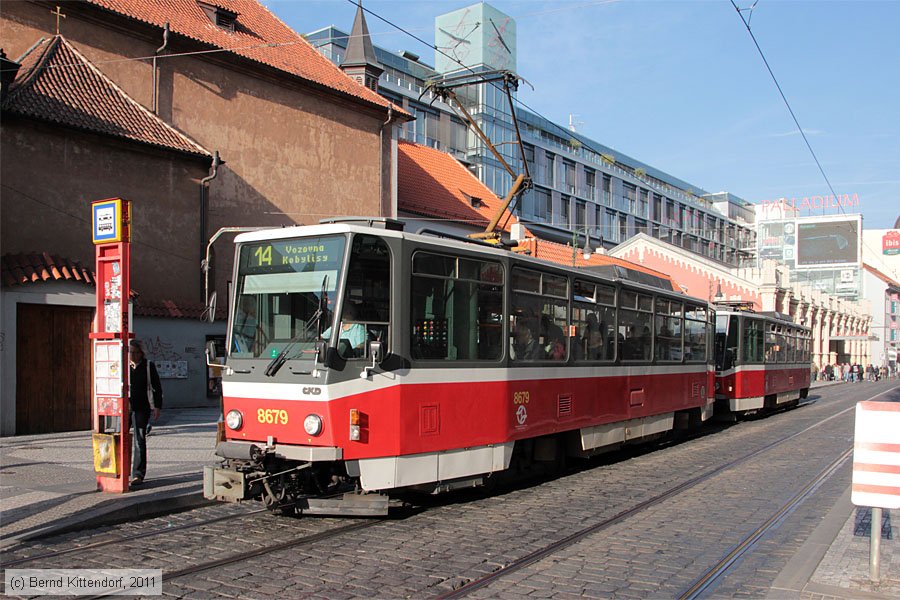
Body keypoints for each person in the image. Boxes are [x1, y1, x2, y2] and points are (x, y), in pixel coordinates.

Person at [129, 339, 163, 486]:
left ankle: (138, 474)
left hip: (142, 407)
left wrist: (157, 407)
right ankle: (120, 470)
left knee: (139, 439)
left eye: (136, 353)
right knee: (120, 438)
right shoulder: (122, 366)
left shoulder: (148, 366)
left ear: (141, 353)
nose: (134, 356)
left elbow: (156, 387)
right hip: (125, 407)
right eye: (131, 353)